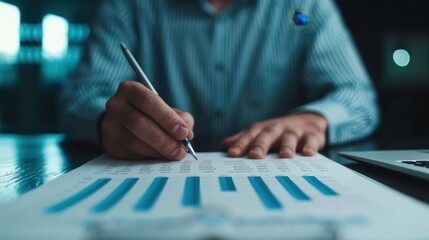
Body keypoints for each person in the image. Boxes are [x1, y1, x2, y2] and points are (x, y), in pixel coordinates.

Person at [59, 0, 379, 161]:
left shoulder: (303, 9)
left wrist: (316, 119)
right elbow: (81, 98)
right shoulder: (130, 7)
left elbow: (356, 94)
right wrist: (108, 121)